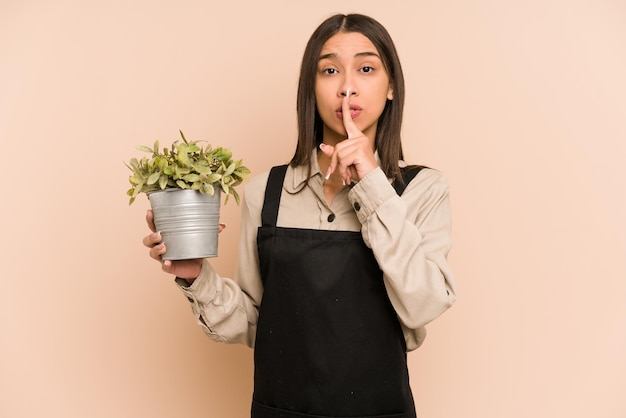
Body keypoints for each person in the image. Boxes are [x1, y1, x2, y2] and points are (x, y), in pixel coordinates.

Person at [143, 13, 456, 418]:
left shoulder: (422, 190)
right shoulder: (265, 193)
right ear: (312, 86)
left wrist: (373, 185)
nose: (347, 86)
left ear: (391, 85)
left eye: (366, 68)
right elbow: (255, 323)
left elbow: (424, 305)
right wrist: (194, 275)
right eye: (329, 70)